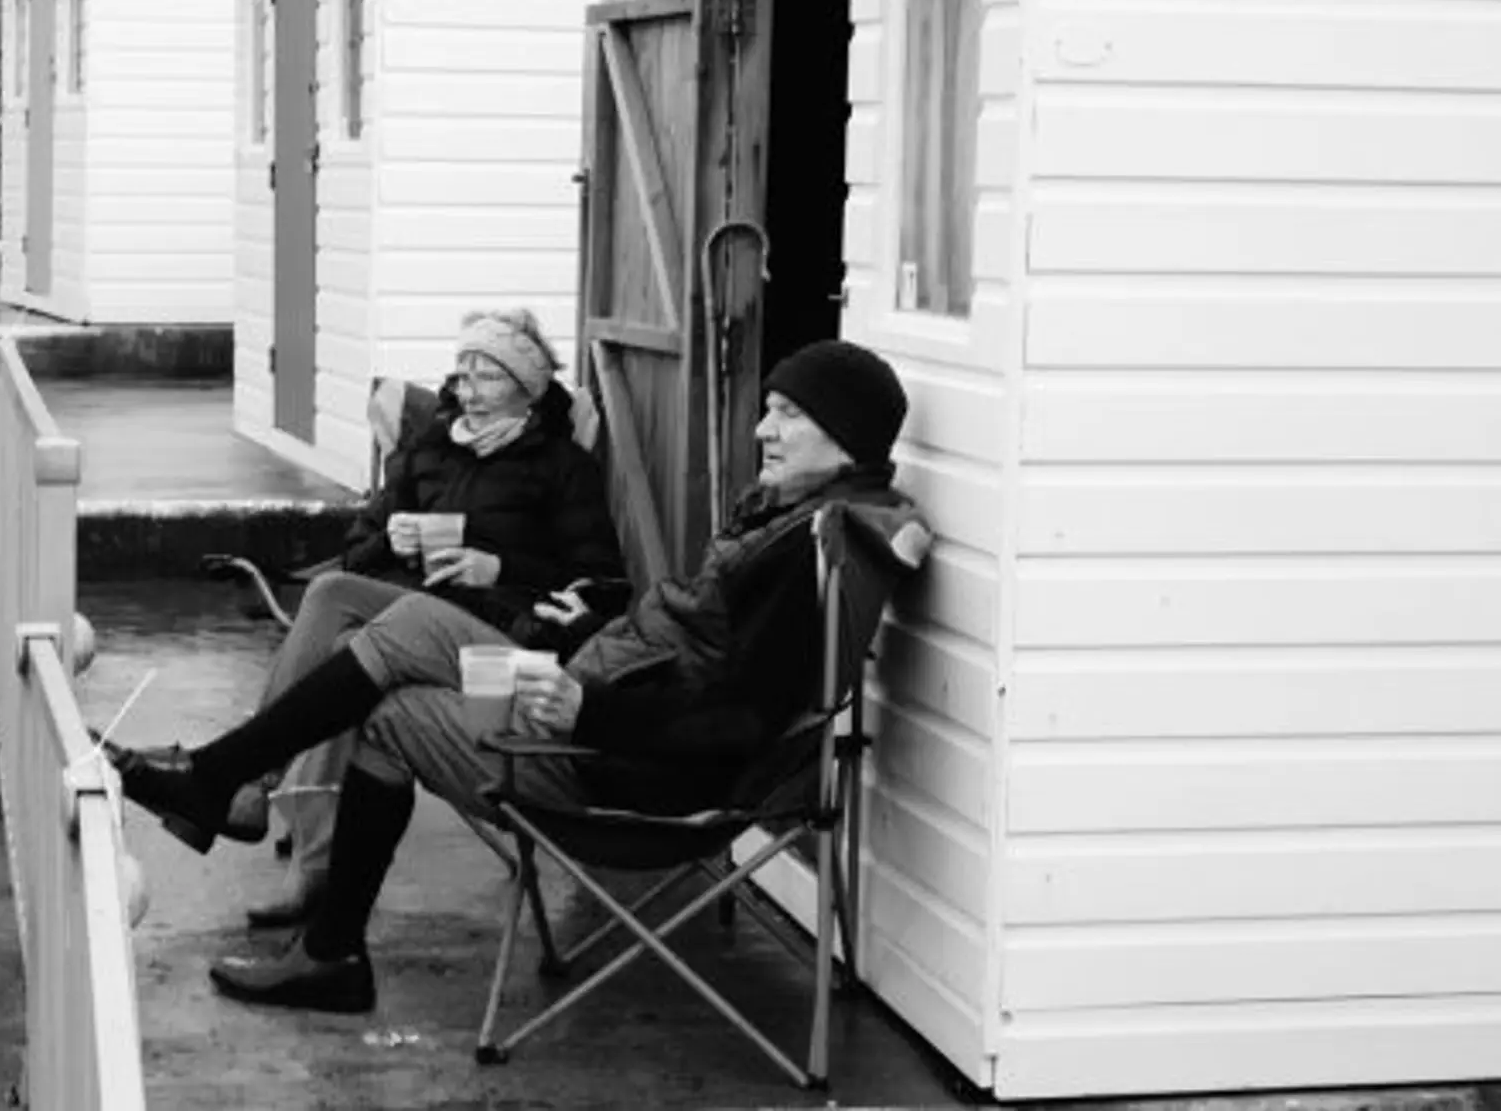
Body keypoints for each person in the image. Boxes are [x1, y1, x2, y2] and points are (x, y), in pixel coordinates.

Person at [101, 338, 928, 1014]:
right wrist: (593, 631)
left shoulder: (809, 552)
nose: (763, 430)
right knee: (396, 621)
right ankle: (242, 818)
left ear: (846, 437)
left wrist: (586, 710)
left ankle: (309, 918)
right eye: (770, 410)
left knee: (388, 707)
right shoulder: (793, 522)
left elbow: (740, 722)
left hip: (622, 770)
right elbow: (691, 647)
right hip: (589, 684)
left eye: (789, 415)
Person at [190, 307, 625, 928]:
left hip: (486, 632)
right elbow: (358, 550)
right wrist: (391, 540)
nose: (467, 392)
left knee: (339, 616)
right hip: (399, 611)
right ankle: (299, 850)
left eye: (487, 378)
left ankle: (259, 794)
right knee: (344, 618)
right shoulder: (430, 450)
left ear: (527, 390)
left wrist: (496, 566)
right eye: (461, 375)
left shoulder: (560, 467)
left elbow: (596, 580)